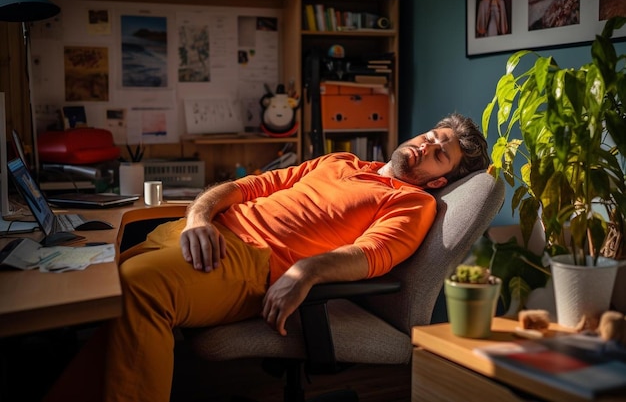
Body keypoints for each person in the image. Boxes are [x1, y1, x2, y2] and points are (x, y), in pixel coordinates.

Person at [45, 113, 490, 402]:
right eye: (430, 137)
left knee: (140, 287)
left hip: (247, 262)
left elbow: (372, 254)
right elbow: (252, 186)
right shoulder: (340, 160)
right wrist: (199, 215)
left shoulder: (413, 203)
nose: (423, 147)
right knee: (105, 282)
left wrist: (305, 269)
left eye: (439, 155)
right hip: (201, 231)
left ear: (437, 181)